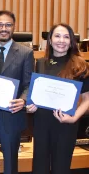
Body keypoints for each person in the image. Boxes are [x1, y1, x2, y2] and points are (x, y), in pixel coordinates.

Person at [27, 23, 89, 174]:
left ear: (71, 41)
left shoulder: (80, 65)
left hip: (65, 124)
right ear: (49, 40)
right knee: (39, 168)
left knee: (60, 168)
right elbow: (35, 92)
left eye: (66, 37)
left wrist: (73, 118)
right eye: (57, 36)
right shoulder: (40, 63)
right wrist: (30, 106)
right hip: (42, 123)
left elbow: (87, 99)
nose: (61, 40)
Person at [0, 10, 34, 174]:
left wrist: (24, 100)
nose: (3, 28)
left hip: (11, 115)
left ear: (14, 27)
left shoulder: (26, 53)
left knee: (10, 164)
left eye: (8, 25)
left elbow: (28, 83)